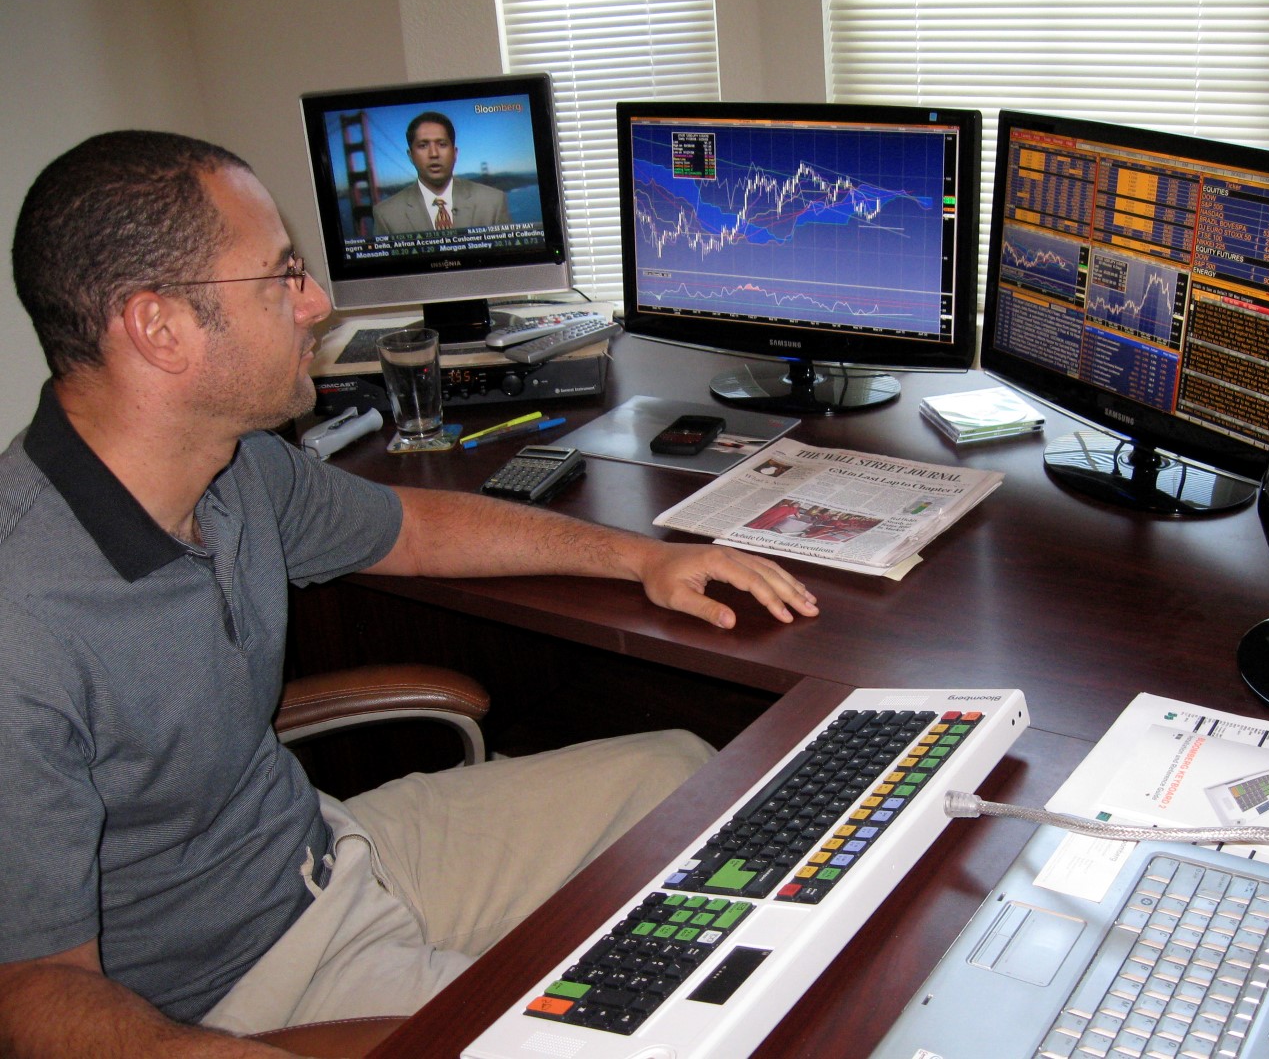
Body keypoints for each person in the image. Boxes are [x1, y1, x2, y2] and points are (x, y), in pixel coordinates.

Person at [0, 129, 818, 1057]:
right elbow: (30, 990)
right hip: (240, 988)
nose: (315, 303)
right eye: (281, 276)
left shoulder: (232, 465)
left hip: (331, 849)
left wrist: (640, 559)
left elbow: (413, 529)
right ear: (160, 328)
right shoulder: (24, 619)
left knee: (686, 778)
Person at [373, 111, 510, 235]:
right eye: (423, 145)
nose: (434, 154)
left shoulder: (494, 202)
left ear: (455, 153)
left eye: (442, 144)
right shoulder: (386, 214)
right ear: (411, 156)